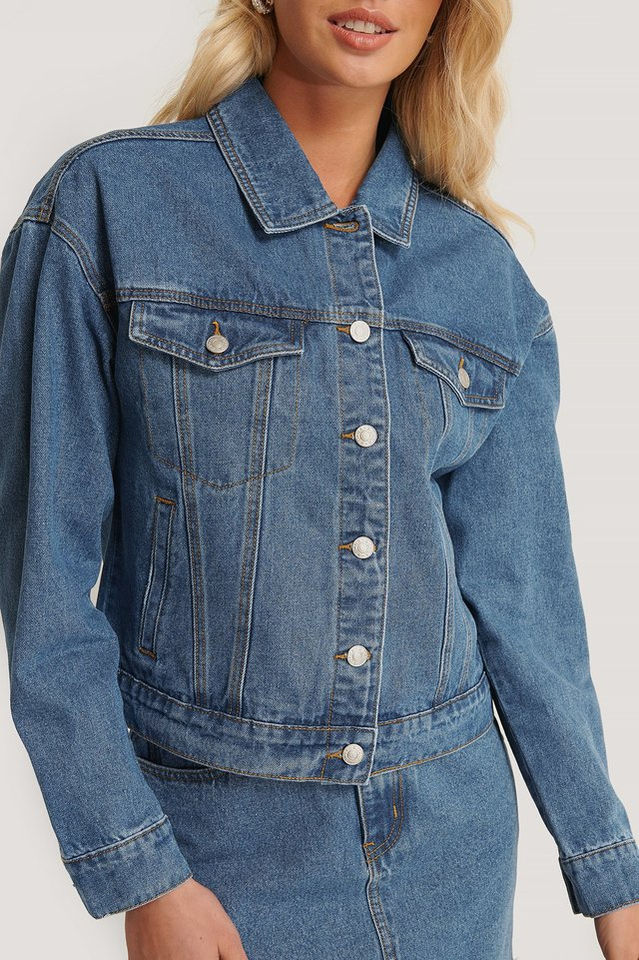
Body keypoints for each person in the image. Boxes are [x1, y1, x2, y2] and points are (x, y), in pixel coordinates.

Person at [1, 1, 638, 957]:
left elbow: (526, 606)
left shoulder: (481, 274)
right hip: (219, 851)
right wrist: (143, 870)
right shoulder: (109, 203)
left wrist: (611, 875)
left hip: (450, 849)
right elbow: (42, 588)